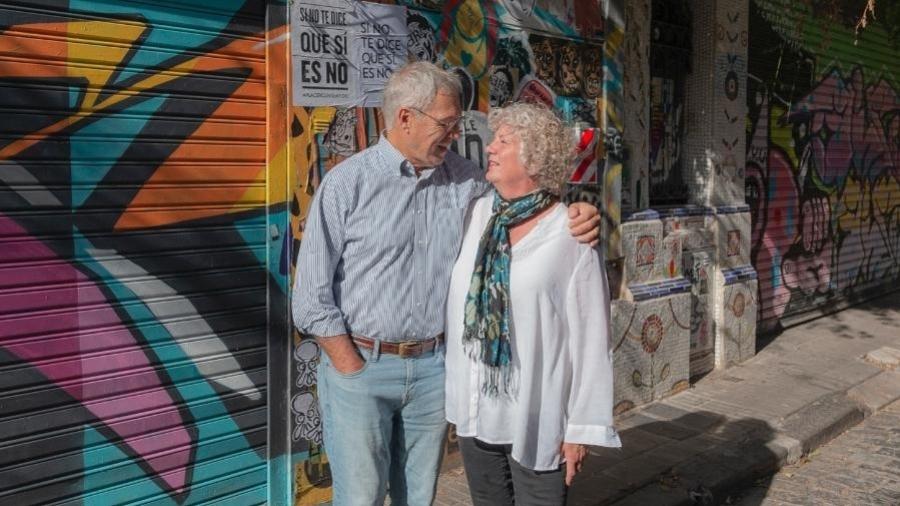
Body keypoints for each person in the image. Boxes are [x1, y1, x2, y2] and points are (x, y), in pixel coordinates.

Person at [292, 62, 600, 506]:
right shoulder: (347, 184)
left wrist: (576, 213)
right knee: (360, 497)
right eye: (447, 123)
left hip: (435, 370)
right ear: (405, 118)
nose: (456, 133)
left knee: (419, 497)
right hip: (361, 367)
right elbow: (311, 298)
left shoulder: (468, 183)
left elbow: (526, 206)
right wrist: (351, 366)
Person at [445, 102, 621, 506]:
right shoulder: (478, 213)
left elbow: (593, 341)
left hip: (537, 419)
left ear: (535, 158)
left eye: (503, 141)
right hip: (477, 412)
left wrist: (581, 429)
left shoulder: (569, 234)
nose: (490, 147)